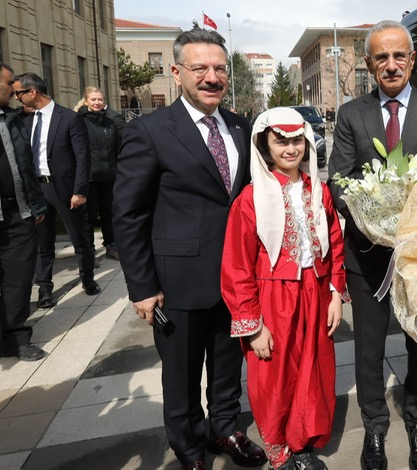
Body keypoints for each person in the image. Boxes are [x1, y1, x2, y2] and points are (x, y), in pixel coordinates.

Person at [112, 28, 266, 470]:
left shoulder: (240, 126)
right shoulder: (150, 130)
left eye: (219, 68)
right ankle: (188, 446)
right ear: (178, 73)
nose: (212, 77)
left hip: (236, 281)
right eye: (200, 68)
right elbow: (128, 215)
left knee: (225, 366)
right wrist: (142, 287)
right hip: (177, 284)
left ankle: (225, 428)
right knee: (180, 375)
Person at [327, 20, 417, 470]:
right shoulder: (350, 114)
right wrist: (376, 225)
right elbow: (339, 182)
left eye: (399, 55)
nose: (391, 64)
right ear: (368, 64)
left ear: (412, 59)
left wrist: (412, 230)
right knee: (368, 348)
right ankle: (375, 429)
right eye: (381, 57)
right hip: (367, 255)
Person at [221, 107, 350, 470]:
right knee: (273, 374)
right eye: (281, 141)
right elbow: (237, 267)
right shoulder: (251, 199)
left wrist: (336, 295)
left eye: (297, 140)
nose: (290, 149)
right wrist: (253, 325)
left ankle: (303, 439)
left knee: (313, 369)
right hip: (273, 299)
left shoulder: (318, 191)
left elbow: (335, 245)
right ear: (265, 144)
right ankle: (277, 444)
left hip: (315, 291)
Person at [13, 72, 99, 309]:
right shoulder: (23, 119)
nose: (16, 97)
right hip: (36, 188)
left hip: (64, 188)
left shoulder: (69, 118)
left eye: (19, 93)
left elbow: (83, 156)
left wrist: (80, 191)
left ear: (33, 92)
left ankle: (88, 278)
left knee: (79, 237)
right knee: (43, 240)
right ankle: (45, 289)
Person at [0, 63, 48, 361]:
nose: (13, 91)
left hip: (17, 212)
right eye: (8, 84)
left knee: (18, 279)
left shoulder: (15, 121)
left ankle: (16, 337)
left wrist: (36, 204)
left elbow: (26, 165)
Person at [75, 86, 121, 261]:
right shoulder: (79, 121)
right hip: (89, 178)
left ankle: (111, 244)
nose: (97, 102)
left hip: (109, 176)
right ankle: (90, 250)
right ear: (86, 101)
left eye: (100, 99)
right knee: (89, 217)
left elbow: (117, 149)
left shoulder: (110, 122)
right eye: (93, 99)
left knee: (109, 214)